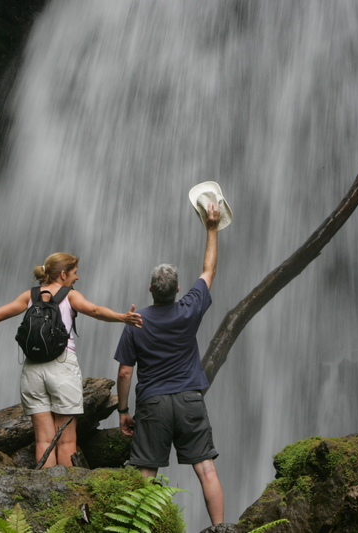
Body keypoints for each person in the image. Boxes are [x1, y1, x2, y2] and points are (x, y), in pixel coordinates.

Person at [0, 252, 142, 467]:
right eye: (75, 273)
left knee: (44, 440)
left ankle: (45, 493)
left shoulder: (30, 295)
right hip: (62, 367)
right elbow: (94, 310)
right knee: (66, 440)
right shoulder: (70, 295)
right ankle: (65, 496)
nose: (77, 278)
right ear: (64, 274)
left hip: (32, 369)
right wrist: (122, 317)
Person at [113, 203, 225, 526]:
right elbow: (209, 271)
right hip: (190, 399)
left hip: (153, 404)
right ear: (178, 290)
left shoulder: (136, 321)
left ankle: (135, 529)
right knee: (206, 468)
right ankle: (222, 529)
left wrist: (123, 410)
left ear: (150, 290)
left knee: (146, 472)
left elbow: (124, 371)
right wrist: (212, 228)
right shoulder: (189, 309)